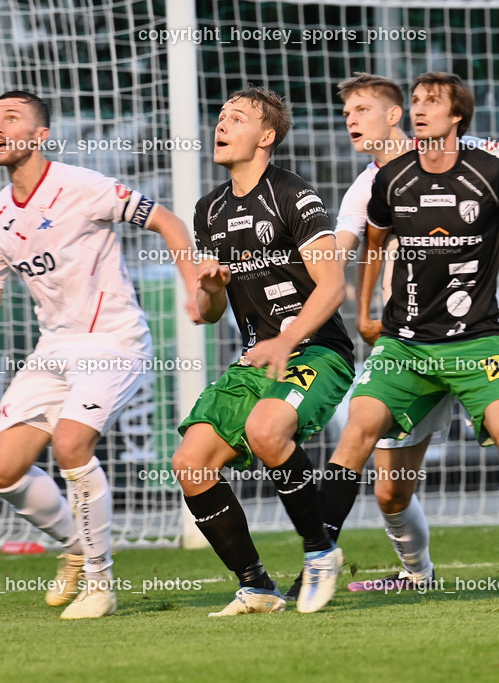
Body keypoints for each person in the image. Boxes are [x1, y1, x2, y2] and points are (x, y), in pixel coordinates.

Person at [297, 73, 499, 596]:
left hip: (479, 336)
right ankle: (413, 574)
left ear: (393, 116)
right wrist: (344, 294)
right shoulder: (372, 185)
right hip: (407, 342)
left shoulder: (477, 155)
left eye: (361, 109)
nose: (350, 120)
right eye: (346, 111)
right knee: (390, 491)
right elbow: (354, 243)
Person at [0, 90, 201, 618]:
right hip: (54, 348)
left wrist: (193, 284)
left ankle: (99, 583)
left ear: (40, 136)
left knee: (70, 445)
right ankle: (75, 545)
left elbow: (168, 222)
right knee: (1, 470)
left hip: (114, 340)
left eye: (11, 118)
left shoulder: (82, 186)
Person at [173, 86, 354, 615]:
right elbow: (207, 314)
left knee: (266, 430)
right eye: (220, 116)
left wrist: (286, 339)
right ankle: (256, 585)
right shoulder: (208, 210)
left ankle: (321, 552)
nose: (221, 125)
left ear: (266, 136)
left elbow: (333, 287)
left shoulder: (293, 194)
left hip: (317, 351)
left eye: (236, 118)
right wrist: (208, 287)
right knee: (190, 462)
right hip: (256, 358)